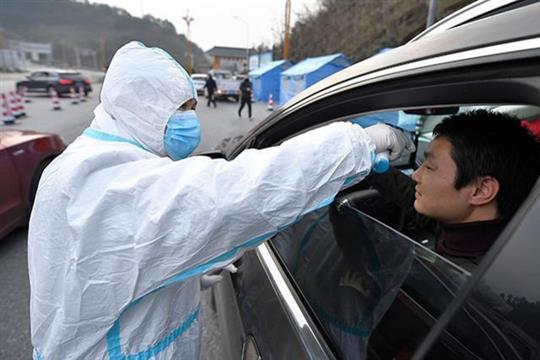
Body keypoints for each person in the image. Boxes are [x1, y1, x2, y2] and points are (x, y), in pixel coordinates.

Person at [27, 41, 414, 359]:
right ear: (140, 108)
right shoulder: (103, 182)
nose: (191, 119)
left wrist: (184, 277)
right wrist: (358, 143)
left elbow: (111, 274)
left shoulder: (98, 163)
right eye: (182, 108)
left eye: (193, 107)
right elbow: (237, 192)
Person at [366, 110, 539, 269]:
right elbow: (407, 193)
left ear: (480, 190)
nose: (415, 176)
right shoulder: (468, 229)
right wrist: (366, 160)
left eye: (430, 167)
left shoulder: (465, 282)